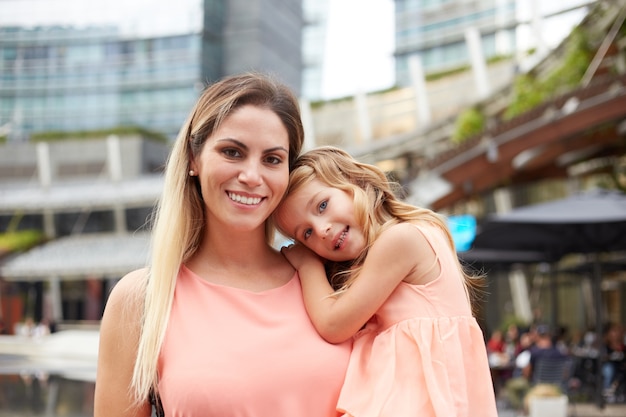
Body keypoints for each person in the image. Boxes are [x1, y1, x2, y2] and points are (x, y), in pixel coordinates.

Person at [94, 73, 352, 417]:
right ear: (193, 159)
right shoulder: (141, 299)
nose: (251, 176)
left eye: (272, 159)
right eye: (233, 152)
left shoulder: (336, 278)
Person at [274, 146, 498, 416]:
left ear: (354, 181)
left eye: (322, 205)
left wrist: (307, 264)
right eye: (306, 233)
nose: (322, 230)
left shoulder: (401, 240)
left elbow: (333, 324)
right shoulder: (395, 247)